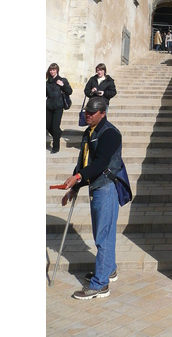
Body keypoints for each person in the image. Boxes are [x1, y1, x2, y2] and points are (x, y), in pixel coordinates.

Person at [61, 97, 123, 300]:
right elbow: (83, 162)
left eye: (92, 113)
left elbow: (100, 163)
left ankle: (100, 285)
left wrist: (78, 177)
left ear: (102, 113)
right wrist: (74, 187)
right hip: (96, 188)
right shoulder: (90, 132)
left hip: (106, 189)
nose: (87, 115)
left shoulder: (110, 134)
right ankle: (108, 270)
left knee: (102, 237)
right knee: (105, 234)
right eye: (86, 112)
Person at [46, 63, 73, 154]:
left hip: (58, 106)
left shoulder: (62, 80)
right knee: (47, 126)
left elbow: (69, 91)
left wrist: (63, 85)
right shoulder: (47, 82)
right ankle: (58, 134)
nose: (52, 71)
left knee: (55, 126)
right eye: (51, 70)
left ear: (57, 70)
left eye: (54, 70)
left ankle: (55, 147)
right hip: (49, 106)